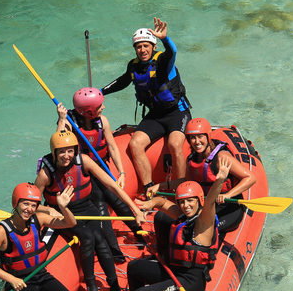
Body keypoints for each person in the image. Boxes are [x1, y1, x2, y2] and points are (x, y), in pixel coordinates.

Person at [35, 131, 146, 291]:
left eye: (70, 151)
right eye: (61, 152)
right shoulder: (45, 174)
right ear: (54, 152)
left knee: (100, 239)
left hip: (87, 207)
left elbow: (112, 186)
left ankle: (114, 285)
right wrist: (50, 210)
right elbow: (33, 203)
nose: (66, 156)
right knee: (87, 237)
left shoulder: (84, 161)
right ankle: (92, 288)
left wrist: (135, 210)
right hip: (64, 214)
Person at [125, 157, 232, 291]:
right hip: (174, 270)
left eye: (190, 201)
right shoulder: (182, 215)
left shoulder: (203, 223)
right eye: (182, 201)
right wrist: (148, 204)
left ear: (199, 200)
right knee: (133, 267)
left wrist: (219, 180)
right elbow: (162, 203)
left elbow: (211, 202)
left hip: (190, 282)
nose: (185, 205)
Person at [101, 17, 191, 195]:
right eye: (139, 46)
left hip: (177, 113)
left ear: (153, 46)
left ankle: (181, 189)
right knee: (135, 144)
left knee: (174, 144)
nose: (142, 50)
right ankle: (149, 187)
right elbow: (123, 81)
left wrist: (165, 38)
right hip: (155, 115)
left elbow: (172, 51)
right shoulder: (133, 66)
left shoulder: (163, 61)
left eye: (146, 46)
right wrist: (100, 92)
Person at [56, 88, 142, 262]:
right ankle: (115, 251)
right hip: (84, 171)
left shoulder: (102, 121)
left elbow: (111, 146)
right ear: (88, 111)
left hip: (101, 167)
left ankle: (139, 232)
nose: (103, 107)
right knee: (101, 205)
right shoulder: (70, 123)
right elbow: (59, 139)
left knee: (116, 199)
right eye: (100, 105)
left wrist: (122, 172)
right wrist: (62, 118)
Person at [149, 117, 257, 233]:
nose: (197, 142)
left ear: (208, 137)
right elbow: (187, 181)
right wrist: (160, 186)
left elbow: (250, 178)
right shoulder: (192, 159)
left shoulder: (222, 157)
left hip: (228, 208)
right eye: (192, 138)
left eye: (200, 136)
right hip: (206, 207)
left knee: (197, 230)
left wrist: (228, 195)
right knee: (162, 218)